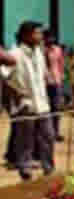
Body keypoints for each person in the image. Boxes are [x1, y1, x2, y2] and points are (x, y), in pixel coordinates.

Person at [7, 22, 54, 180]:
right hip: (25, 104)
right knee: (25, 139)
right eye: (37, 34)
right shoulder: (14, 54)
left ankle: (49, 168)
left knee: (48, 136)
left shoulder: (39, 53)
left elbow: (43, 75)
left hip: (42, 103)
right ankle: (25, 170)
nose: (40, 37)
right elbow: (4, 76)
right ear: (27, 35)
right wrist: (16, 94)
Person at [44, 33, 65, 142]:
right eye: (48, 37)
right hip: (44, 83)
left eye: (52, 37)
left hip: (56, 82)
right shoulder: (40, 50)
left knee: (56, 108)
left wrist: (61, 76)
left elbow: (61, 63)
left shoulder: (57, 50)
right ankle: (46, 133)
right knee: (45, 109)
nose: (50, 39)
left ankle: (55, 132)